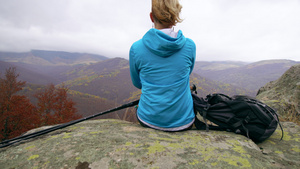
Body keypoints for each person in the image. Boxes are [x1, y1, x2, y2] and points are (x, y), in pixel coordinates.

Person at [129, 0, 196, 131]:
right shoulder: (190, 46)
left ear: (151, 16)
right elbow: (187, 73)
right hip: (184, 121)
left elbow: (138, 83)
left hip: (148, 119)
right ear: (175, 18)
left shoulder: (136, 48)